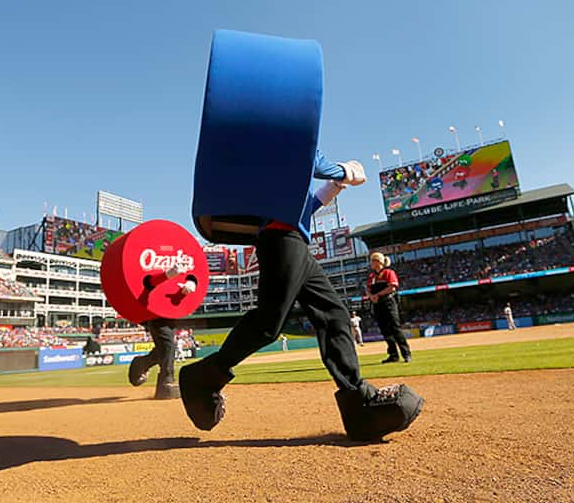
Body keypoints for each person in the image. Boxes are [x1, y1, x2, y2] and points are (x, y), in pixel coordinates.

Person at [181, 157, 424, 440]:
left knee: (334, 315)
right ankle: (202, 377)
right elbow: (307, 160)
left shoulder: (284, 177)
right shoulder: (282, 142)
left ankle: (358, 405)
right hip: (280, 240)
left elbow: (300, 207)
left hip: (293, 238)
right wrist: (343, 171)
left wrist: (334, 185)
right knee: (269, 323)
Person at [129, 265, 196, 399]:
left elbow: (195, 274)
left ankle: (142, 363)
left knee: (165, 349)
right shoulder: (150, 265)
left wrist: (191, 282)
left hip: (170, 313)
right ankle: (166, 381)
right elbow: (147, 283)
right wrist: (166, 275)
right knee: (168, 346)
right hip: (155, 314)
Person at [367, 252, 411, 363]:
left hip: (388, 303)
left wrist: (378, 295)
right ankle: (393, 355)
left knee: (395, 328)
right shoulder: (372, 276)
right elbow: (367, 289)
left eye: (372, 261)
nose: (370, 263)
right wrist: (371, 296)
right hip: (377, 304)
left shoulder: (388, 272)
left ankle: (406, 354)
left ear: (378, 262)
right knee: (385, 330)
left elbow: (392, 288)